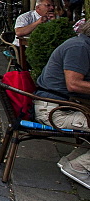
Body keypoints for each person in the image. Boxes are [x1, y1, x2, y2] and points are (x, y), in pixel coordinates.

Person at [33, 20, 90, 189]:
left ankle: (72, 160)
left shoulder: (82, 44)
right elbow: (74, 84)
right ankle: (79, 167)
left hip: (58, 106)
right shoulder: (80, 48)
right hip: (54, 111)